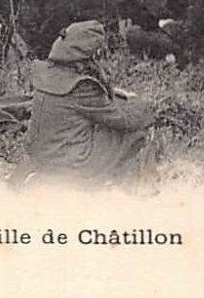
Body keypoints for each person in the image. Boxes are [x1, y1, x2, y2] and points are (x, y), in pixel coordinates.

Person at [9, 20, 155, 190]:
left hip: (41, 156)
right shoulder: (82, 86)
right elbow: (122, 120)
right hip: (71, 163)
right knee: (135, 132)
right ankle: (137, 186)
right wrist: (140, 103)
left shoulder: (46, 73)